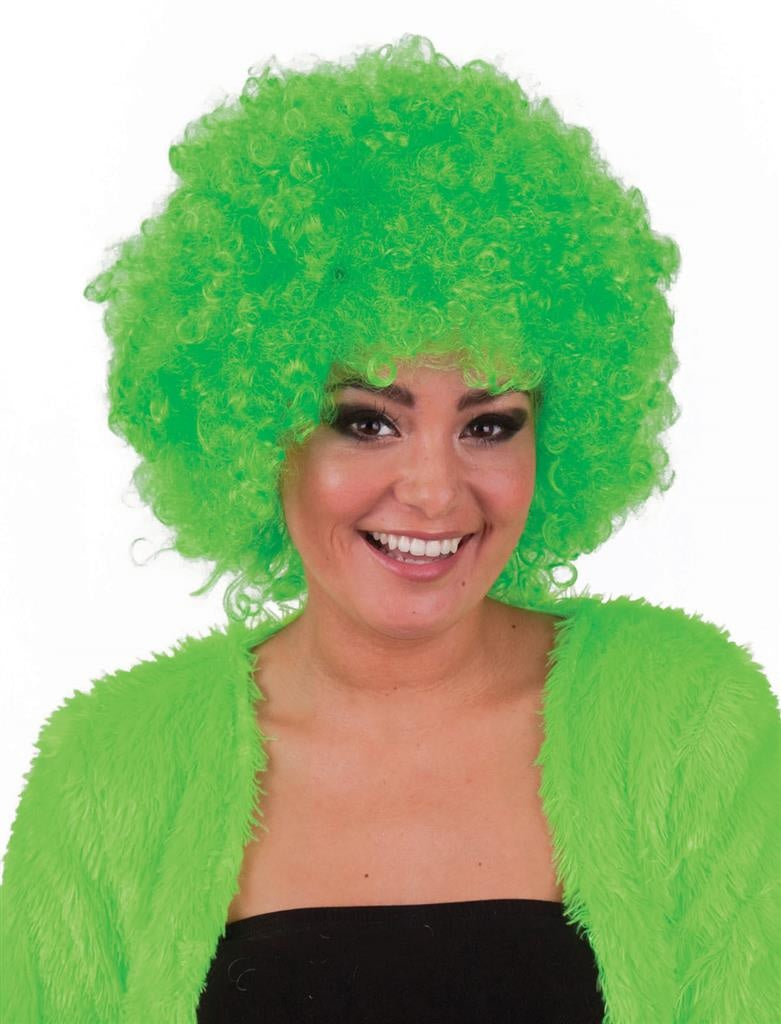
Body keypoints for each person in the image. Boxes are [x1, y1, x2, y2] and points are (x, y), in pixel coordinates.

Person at [1, 32, 779, 1024]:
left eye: (489, 425)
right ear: (260, 427)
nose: (433, 493)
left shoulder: (686, 723)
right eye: (367, 421)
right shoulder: (109, 773)